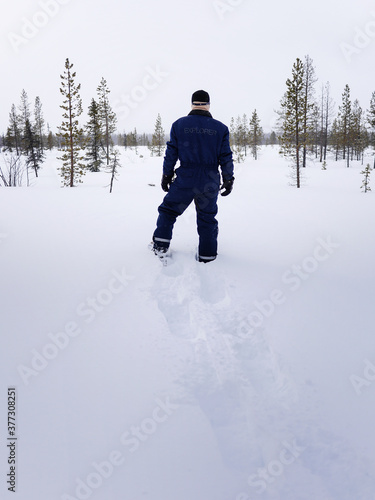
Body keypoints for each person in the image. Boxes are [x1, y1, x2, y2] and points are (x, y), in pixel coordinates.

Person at [151, 90, 234, 263]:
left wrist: (167, 175)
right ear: (208, 105)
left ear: (192, 104)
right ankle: (207, 255)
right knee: (207, 216)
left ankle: (160, 246)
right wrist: (228, 178)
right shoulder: (220, 128)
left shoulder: (179, 125)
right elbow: (225, 156)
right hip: (209, 179)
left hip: (186, 177)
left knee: (169, 210)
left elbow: (171, 153)